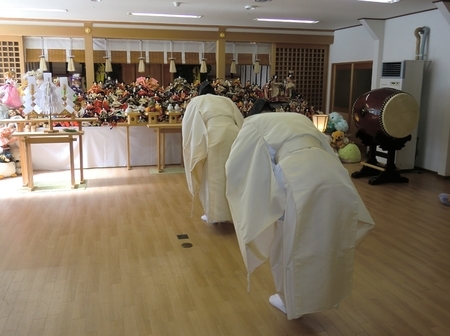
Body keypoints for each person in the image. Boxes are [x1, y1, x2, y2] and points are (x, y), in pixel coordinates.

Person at [225, 99, 375, 320]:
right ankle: (320, 296)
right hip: (333, 174)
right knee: (327, 240)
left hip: (297, 176)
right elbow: (328, 148)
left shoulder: (253, 123)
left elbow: (235, 166)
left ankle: (290, 302)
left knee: (288, 242)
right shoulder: (299, 118)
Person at [182, 81, 244, 223]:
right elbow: (240, 120)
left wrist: (195, 149)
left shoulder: (197, 101)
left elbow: (190, 126)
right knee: (232, 175)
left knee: (213, 178)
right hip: (233, 135)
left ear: (200, 92)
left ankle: (216, 216)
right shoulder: (226, 100)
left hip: (213, 136)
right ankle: (234, 214)